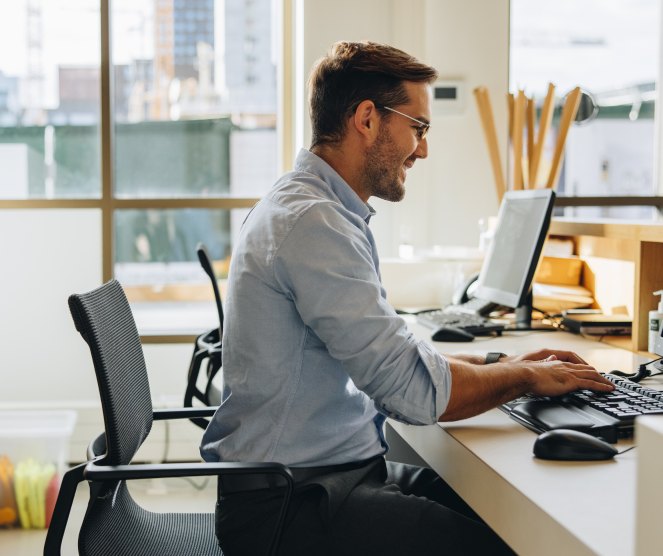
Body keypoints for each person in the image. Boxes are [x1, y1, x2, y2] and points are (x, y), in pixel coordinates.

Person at [198, 41, 615, 556]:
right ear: (368, 119)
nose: (422, 150)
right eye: (418, 127)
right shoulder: (313, 222)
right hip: (289, 507)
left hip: (324, 479)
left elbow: (393, 360)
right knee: (507, 544)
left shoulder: (321, 209)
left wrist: (500, 363)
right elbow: (411, 392)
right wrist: (524, 377)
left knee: (507, 520)